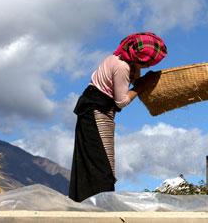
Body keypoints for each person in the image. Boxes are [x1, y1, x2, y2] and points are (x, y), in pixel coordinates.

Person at [69, 32, 167, 202]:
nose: (145, 66)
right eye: (145, 63)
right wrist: (142, 86)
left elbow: (133, 79)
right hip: (95, 111)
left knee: (95, 160)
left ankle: (90, 204)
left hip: (94, 109)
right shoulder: (121, 66)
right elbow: (121, 101)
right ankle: (98, 208)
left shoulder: (117, 57)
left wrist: (138, 72)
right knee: (101, 164)